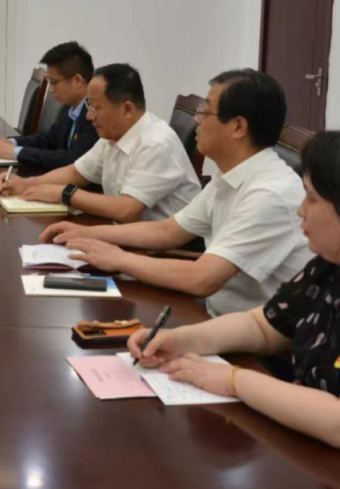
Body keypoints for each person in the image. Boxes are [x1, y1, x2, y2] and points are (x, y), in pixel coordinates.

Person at [125, 130, 340, 449]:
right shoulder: (327, 266)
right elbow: (264, 326)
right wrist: (179, 340)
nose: (300, 210)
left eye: (311, 198)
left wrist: (233, 380)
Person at [41, 69, 311, 316]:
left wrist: (119, 259)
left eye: (205, 112)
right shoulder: (230, 176)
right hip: (216, 313)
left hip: (248, 336)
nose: (196, 119)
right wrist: (87, 233)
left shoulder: (269, 194)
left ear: (238, 127)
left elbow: (202, 278)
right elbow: (167, 231)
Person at [0, 63, 200, 222]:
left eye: (96, 108)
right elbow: (76, 173)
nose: (89, 116)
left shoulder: (156, 143)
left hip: (163, 251)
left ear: (127, 109)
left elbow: (126, 210)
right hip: (128, 234)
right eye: (89, 107)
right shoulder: (112, 135)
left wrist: (65, 193)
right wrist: (25, 184)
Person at [0, 41, 98, 171]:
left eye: (53, 82)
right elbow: (49, 140)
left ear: (77, 81)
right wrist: (11, 142)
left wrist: (16, 152)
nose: (50, 89)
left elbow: (70, 160)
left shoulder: (94, 115)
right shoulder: (70, 106)